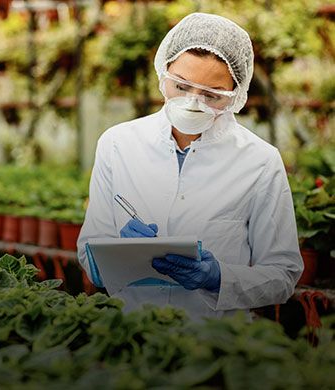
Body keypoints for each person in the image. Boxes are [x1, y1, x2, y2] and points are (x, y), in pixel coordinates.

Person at [77, 13, 303, 321]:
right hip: (130, 330)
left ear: (235, 96)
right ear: (163, 73)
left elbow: (282, 274)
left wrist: (219, 277)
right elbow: (88, 251)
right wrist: (116, 251)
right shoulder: (118, 144)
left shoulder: (260, 161)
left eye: (211, 95)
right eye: (181, 86)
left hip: (217, 340)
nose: (193, 103)